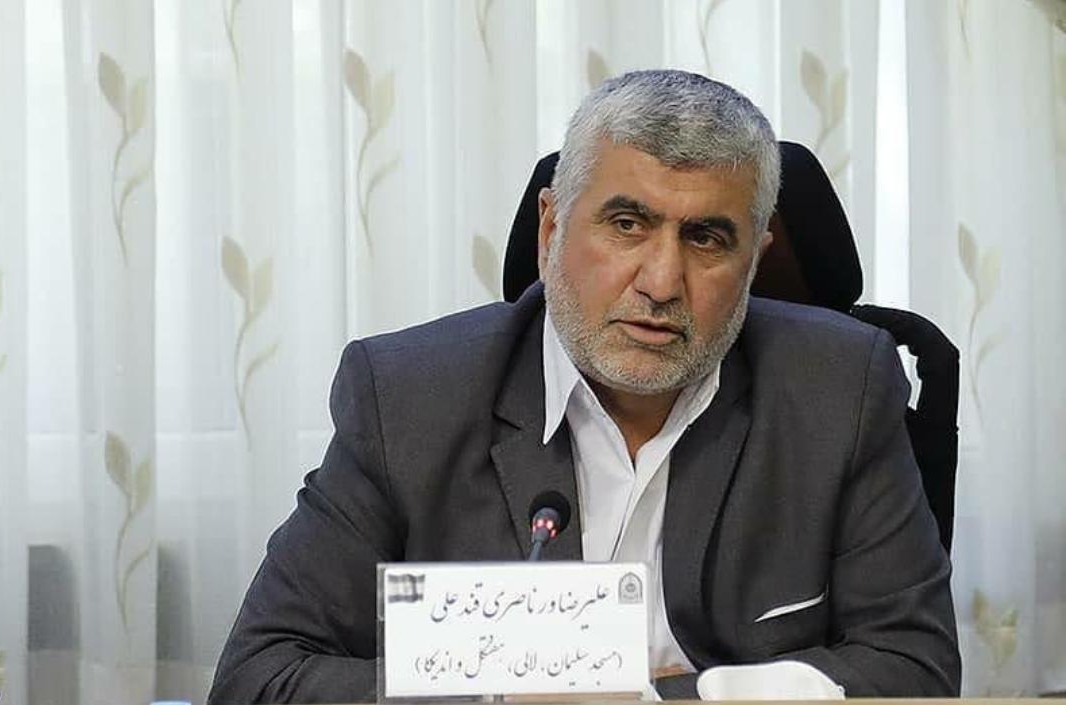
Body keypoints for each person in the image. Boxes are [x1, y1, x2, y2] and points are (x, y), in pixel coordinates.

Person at [208, 70, 960, 703]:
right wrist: (499, 696)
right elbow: (259, 676)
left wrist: (658, 699)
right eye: (627, 224)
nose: (661, 282)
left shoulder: (841, 388)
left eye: (705, 238)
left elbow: (914, 667)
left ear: (755, 260)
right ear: (551, 230)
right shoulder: (407, 396)